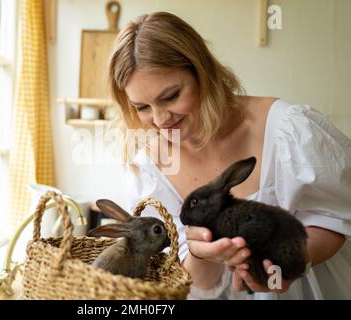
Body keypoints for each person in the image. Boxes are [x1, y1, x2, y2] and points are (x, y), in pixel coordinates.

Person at [108, 12, 351, 299]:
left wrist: (286, 264)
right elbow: (194, 285)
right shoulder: (148, 167)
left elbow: (335, 217)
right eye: (142, 107)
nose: (160, 120)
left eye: (171, 96)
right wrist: (201, 254)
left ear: (203, 73)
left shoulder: (289, 129)